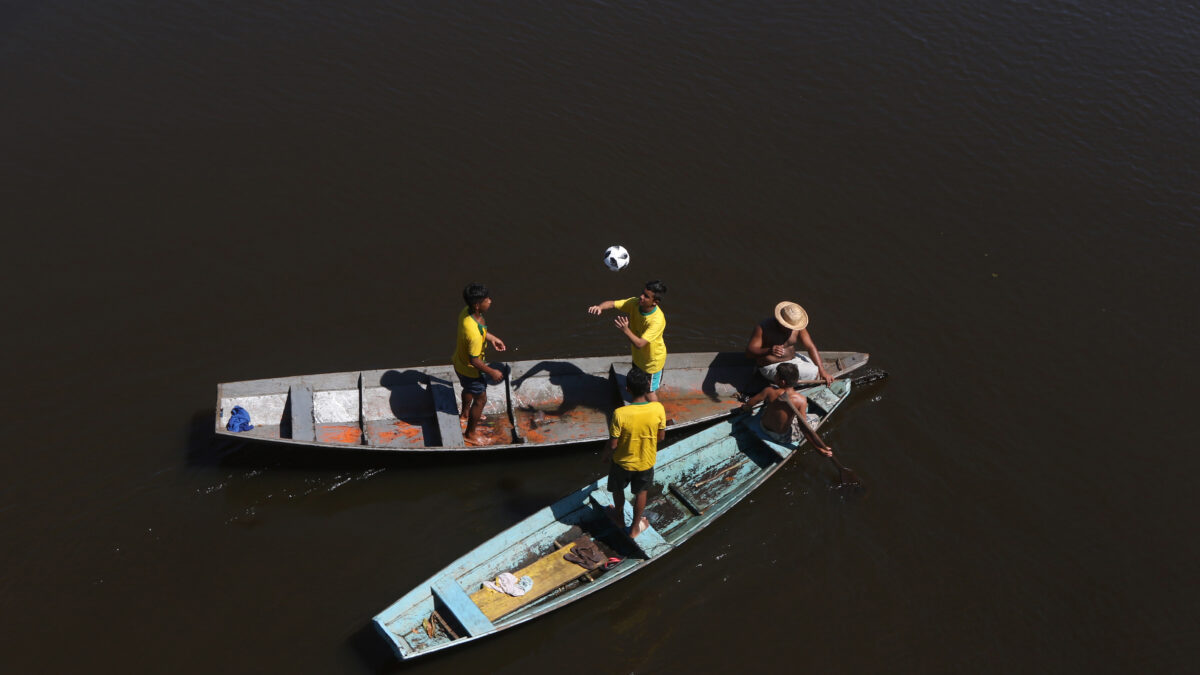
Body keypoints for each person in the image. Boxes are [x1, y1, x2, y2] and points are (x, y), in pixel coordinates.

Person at [601, 368, 667, 538]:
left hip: (622, 462)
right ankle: (635, 528)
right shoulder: (658, 408)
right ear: (647, 387)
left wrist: (606, 455)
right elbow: (660, 437)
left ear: (627, 389)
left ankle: (619, 517)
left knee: (618, 490)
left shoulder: (620, 413)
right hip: (645, 462)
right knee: (641, 493)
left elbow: (613, 444)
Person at [587, 280, 667, 401]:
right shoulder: (635, 303)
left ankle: (658, 416)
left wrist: (626, 330)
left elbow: (640, 344)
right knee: (637, 386)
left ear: (655, 302)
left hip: (652, 363)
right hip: (638, 358)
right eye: (642, 293)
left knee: (649, 392)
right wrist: (600, 307)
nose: (641, 296)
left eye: (646, 296)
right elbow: (613, 303)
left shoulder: (657, 320)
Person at [736, 362, 833, 456]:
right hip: (780, 437)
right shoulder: (801, 401)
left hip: (763, 426)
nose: (774, 377)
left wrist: (744, 408)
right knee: (815, 418)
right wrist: (818, 448)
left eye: (776, 376)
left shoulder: (769, 391)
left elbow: (749, 404)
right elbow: (803, 428)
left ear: (782, 382)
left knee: (770, 406)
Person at [452, 283, 507, 445]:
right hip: (470, 370)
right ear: (477, 305)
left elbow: (479, 331)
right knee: (481, 399)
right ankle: (470, 434)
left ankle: (464, 414)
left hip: (458, 363)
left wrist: (492, 338)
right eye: (486, 299)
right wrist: (492, 372)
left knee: (468, 389)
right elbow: (474, 360)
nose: (490, 301)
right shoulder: (474, 335)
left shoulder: (466, 313)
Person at [745, 301, 834, 385]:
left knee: (816, 369)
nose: (791, 329)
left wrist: (822, 371)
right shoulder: (764, 327)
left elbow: (810, 346)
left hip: (793, 360)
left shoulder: (797, 326)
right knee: (814, 372)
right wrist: (769, 350)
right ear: (780, 321)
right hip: (771, 366)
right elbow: (749, 353)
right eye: (787, 326)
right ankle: (779, 383)